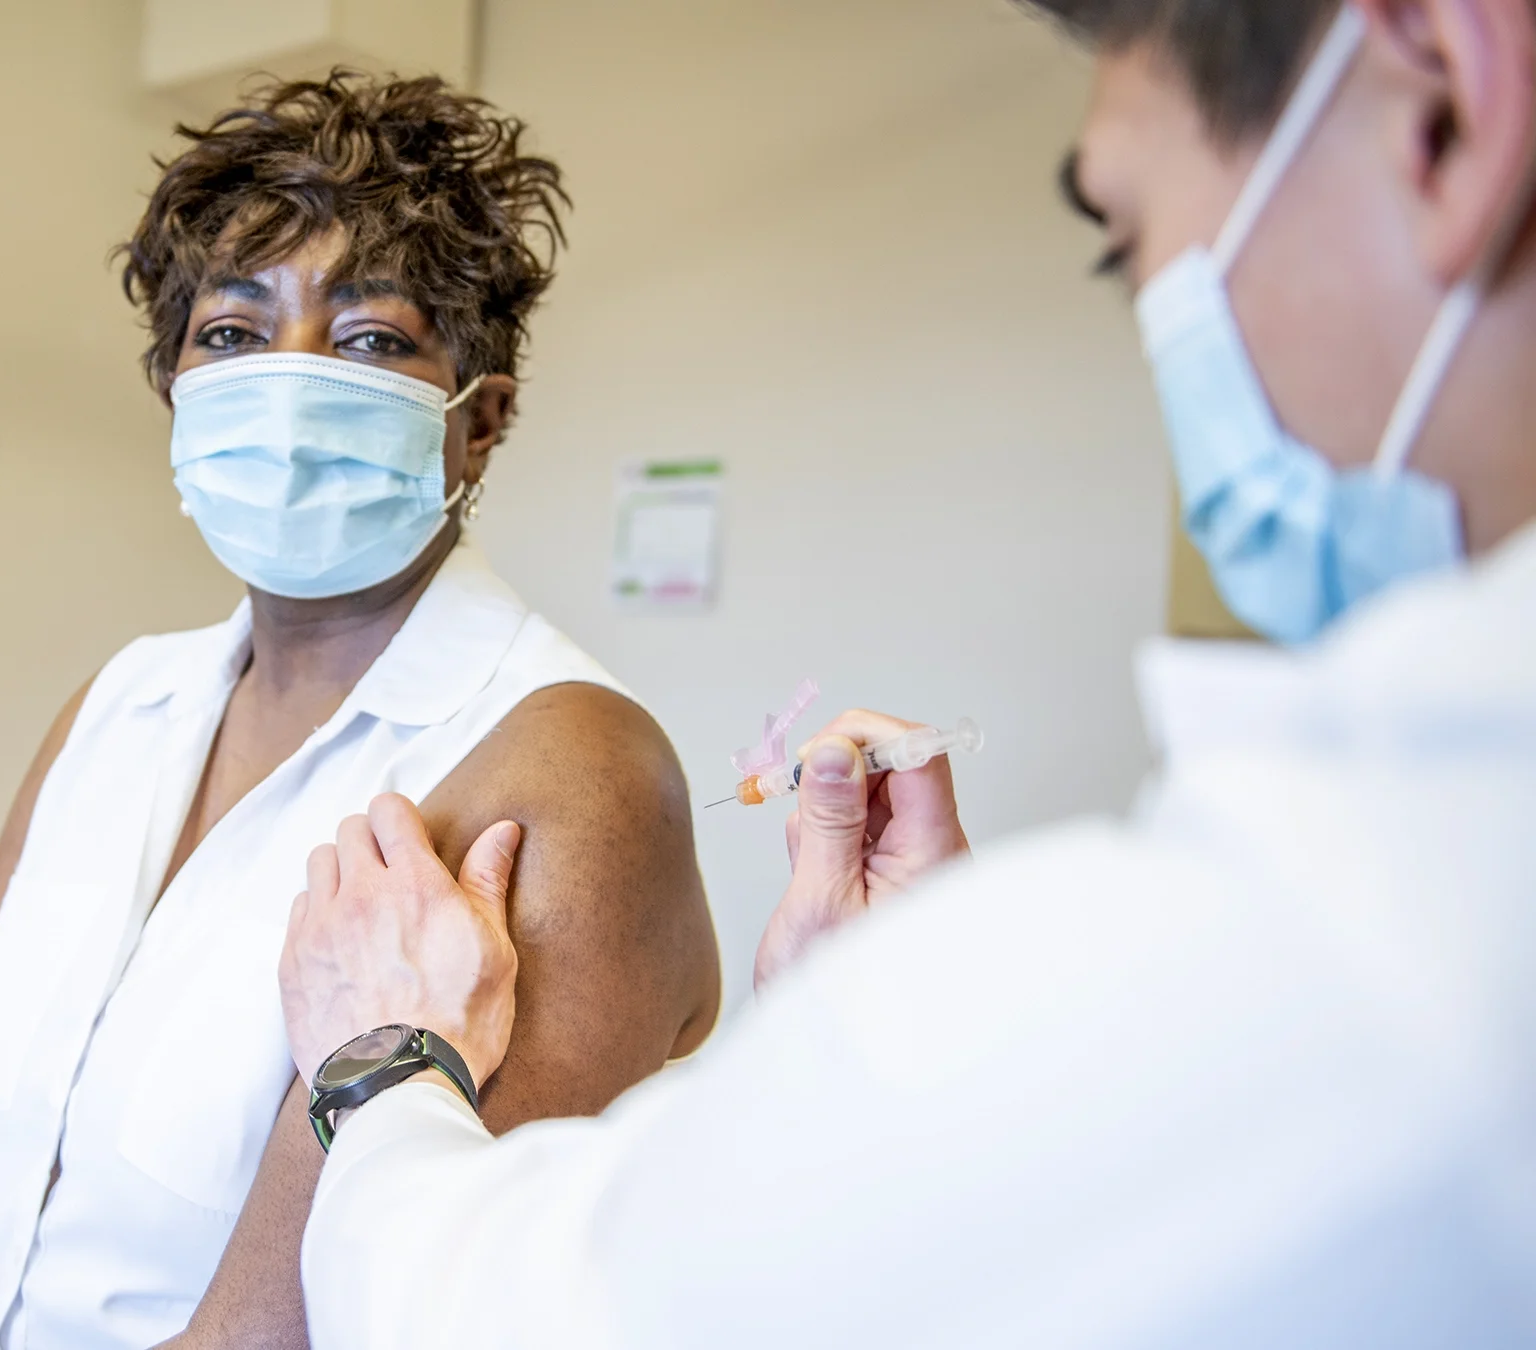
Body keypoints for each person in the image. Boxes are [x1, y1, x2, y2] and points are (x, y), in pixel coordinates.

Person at [277, 1, 1536, 1345]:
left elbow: (555, 1312)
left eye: (1130, 241)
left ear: (1445, 111)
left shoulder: (1374, 931)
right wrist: (857, 1045)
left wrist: (390, 1069)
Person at [0, 73, 722, 1350]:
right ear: (175, 395)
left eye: (369, 340)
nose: (288, 386)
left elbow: (300, 1333)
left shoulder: (568, 772)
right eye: (231, 336)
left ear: (480, 422)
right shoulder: (121, 706)